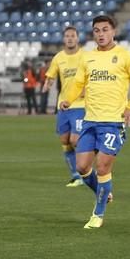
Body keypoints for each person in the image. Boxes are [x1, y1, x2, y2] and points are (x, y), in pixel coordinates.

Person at [60, 15, 130, 229]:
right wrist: (68, 99)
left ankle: (98, 213)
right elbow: (78, 82)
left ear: (113, 31)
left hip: (113, 122)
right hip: (90, 120)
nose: (101, 34)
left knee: (102, 167)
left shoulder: (125, 56)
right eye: (97, 31)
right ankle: (103, 192)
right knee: (82, 167)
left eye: (105, 30)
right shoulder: (87, 58)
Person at [42, 26, 86, 187]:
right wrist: (48, 84)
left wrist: (87, 89)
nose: (70, 38)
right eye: (67, 36)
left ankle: (85, 169)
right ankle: (76, 175)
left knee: (75, 140)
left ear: (77, 38)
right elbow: (51, 74)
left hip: (81, 105)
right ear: (63, 39)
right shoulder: (58, 57)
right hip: (63, 106)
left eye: (72, 36)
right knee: (65, 141)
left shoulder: (85, 56)